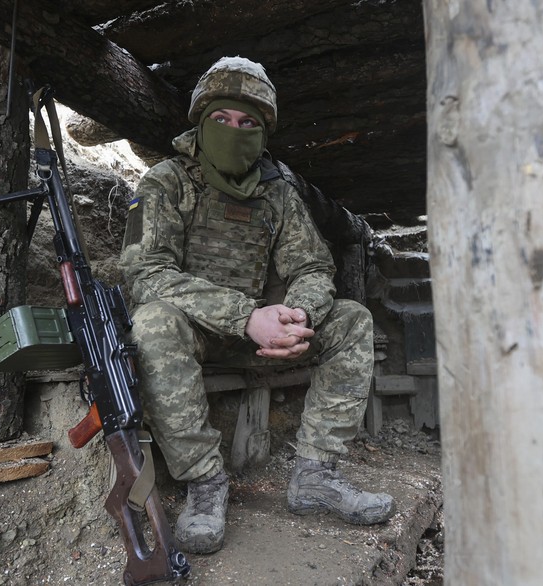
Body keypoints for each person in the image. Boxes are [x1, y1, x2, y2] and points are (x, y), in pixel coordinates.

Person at [119, 56, 395, 555]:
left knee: (353, 319)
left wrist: (300, 315)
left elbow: (313, 267)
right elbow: (146, 274)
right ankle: (205, 483)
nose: (234, 130)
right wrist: (245, 317)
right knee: (153, 323)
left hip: (267, 337)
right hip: (198, 333)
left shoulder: (278, 194)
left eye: (248, 123)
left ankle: (316, 474)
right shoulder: (167, 183)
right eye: (222, 119)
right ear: (201, 123)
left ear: (264, 134)